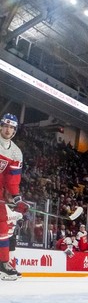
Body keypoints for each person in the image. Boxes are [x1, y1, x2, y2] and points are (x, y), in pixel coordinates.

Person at [0, 113, 27, 280]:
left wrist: (17, 197)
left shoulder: (16, 153)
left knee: (3, 227)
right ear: (1, 126)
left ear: (15, 131)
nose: (8, 129)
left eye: (11, 127)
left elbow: (12, 179)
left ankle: (3, 263)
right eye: (6, 125)